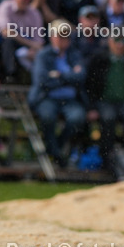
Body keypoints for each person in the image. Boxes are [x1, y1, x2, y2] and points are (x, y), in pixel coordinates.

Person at [85, 34, 124, 179]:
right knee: (108, 118)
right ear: (110, 41)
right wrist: (91, 107)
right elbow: (89, 86)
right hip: (103, 101)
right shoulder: (98, 59)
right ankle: (108, 161)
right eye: (117, 40)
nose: (120, 44)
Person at [28, 19, 88, 167]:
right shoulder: (43, 55)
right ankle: (57, 154)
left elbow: (81, 77)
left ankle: (56, 150)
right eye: (60, 36)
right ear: (52, 36)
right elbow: (42, 81)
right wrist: (69, 76)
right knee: (48, 117)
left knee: (77, 118)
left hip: (70, 99)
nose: (64, 39)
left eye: (67, 36)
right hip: (47, 97)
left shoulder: (74, 54)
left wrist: (59, 75)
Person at [0, 0, 45, 80]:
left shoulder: (34, 13)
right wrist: (30, 44)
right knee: (8, 41)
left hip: (24, 46)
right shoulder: (5, 7)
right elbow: (6, 32)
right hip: (0, 46)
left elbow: (38, 40)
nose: (26, 1)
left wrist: (33, 49)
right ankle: (11, 74)